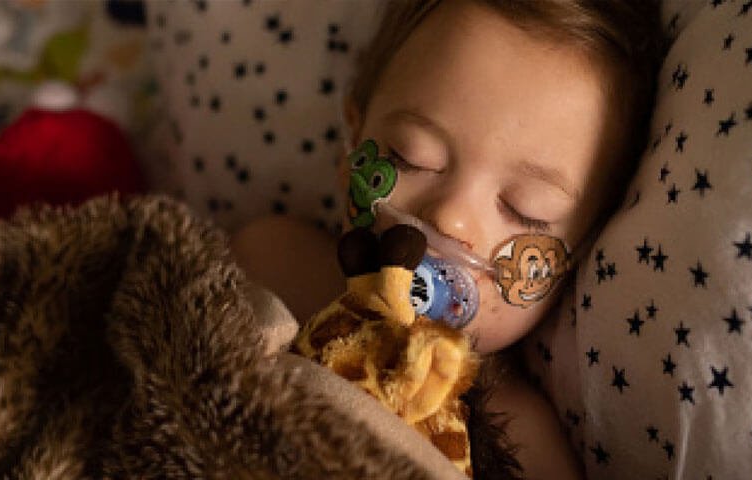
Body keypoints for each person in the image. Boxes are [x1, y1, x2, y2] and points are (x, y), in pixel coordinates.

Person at [233, 0, 665, 478]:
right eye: (411, 156)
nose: (449, 219)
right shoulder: (268, 261)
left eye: (525, 209)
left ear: (580, 252)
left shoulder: (522, 439)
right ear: (352, 143)